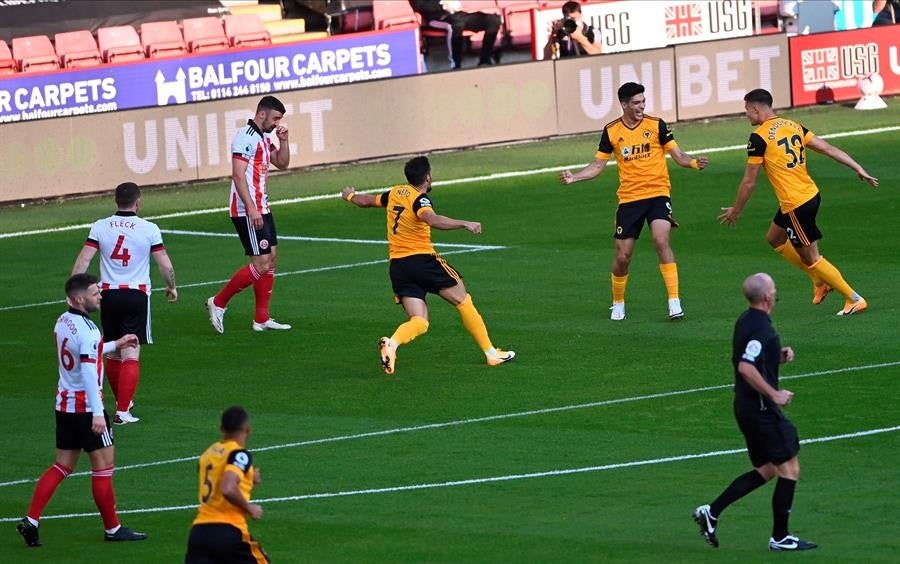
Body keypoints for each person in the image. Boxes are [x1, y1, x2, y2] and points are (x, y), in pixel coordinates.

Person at [340, 156, 515, 375]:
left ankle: (392, 344)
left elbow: (367, 201)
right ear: (428, 177)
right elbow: (431, 219)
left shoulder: (395, 192)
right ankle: (491, 354)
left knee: (420, 321)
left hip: (398, 267)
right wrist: (465, 223)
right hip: (423, 261)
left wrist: (350, 195)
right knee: (463, 300)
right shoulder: (420, 200)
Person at [718, 89, 878, 316]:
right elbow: (827, 148)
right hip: (809, 194)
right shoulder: (792, 125)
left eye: (746, 110)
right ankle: (819, 280)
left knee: (812, 258)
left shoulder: (759, 138)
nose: (746, 115)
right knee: (774, 238)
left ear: (755, 108)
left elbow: (749, 181)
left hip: (796, 203)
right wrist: (858, 168)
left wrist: (736, 210)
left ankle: (853, 298)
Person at [16, 273, 148, 547]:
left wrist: (116, 343)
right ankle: (113, 529)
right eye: (94, 292)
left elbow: (85, 353)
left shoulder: (63, 321)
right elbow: (89, 372)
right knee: (103, 467)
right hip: (87, 409)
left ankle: (31, 520)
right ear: (79, 299)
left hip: (64, 405)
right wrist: (98, 413)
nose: (100, 295)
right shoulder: (89, 331)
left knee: (62, 465)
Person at [559, 82, 709, 321]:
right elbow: (598, 165)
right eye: (637, 102)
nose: (642, 106)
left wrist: (693, 163)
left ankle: (674, 302)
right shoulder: (611, 131)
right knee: (623, 256)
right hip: (629, 199)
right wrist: (574, 177)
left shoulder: (656, 125)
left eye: (643, 101)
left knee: (661, 241)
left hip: (658, 194)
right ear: (624, 104)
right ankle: (618, 302)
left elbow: (679, 156)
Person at [693, 273, 816, 552]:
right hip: (760, 408)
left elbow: (749, 356)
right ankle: (781, 538)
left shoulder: (746, 320)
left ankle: (711, 513)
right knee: (790, 468)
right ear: (767, 298)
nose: (776, 292)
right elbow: (746, 367)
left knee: (767, 468)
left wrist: (776, 355)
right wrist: (774, 394)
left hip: (745, 406)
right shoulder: (762, 329)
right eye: (774, 289)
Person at [71, 181, 177, 425]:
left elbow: (83, 261)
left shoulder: (100, 226)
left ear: (115, 200)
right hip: (136, 295)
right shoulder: (149, 228)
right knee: (131, 351)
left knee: (114, 351)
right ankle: (122, 411)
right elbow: (165, 264)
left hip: (107, 295)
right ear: (138, 202)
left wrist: (75, 290)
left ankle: (123, 402)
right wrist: (171, 286)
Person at [207, 96, 292, 334]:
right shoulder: (245, 137)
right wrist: (252, 208)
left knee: (271, 258)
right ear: (262, 114)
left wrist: (283, 141)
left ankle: (261, 319)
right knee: (262, 262)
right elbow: (237, 174)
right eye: (275, 118)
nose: (277, 123)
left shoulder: (265, 137)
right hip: (247, 210)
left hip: (262, 207)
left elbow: (282, 163)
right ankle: (218, 302)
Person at [185, 406, 268, 564]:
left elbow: (215, 481)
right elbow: (227, 488)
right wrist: (249, 508)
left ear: (221, 428)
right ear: (247, 428)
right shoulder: (239, 454)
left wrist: (248, 478)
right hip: (228, 530)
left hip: (199, 533)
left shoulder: (208, 453)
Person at [411, 0, 502, 69]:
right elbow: (419, 5)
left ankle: (485, 60)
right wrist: (443, 5)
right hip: (437, 17)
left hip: (460, 14)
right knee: (456, 25)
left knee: (493, 20)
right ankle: (456, 65)